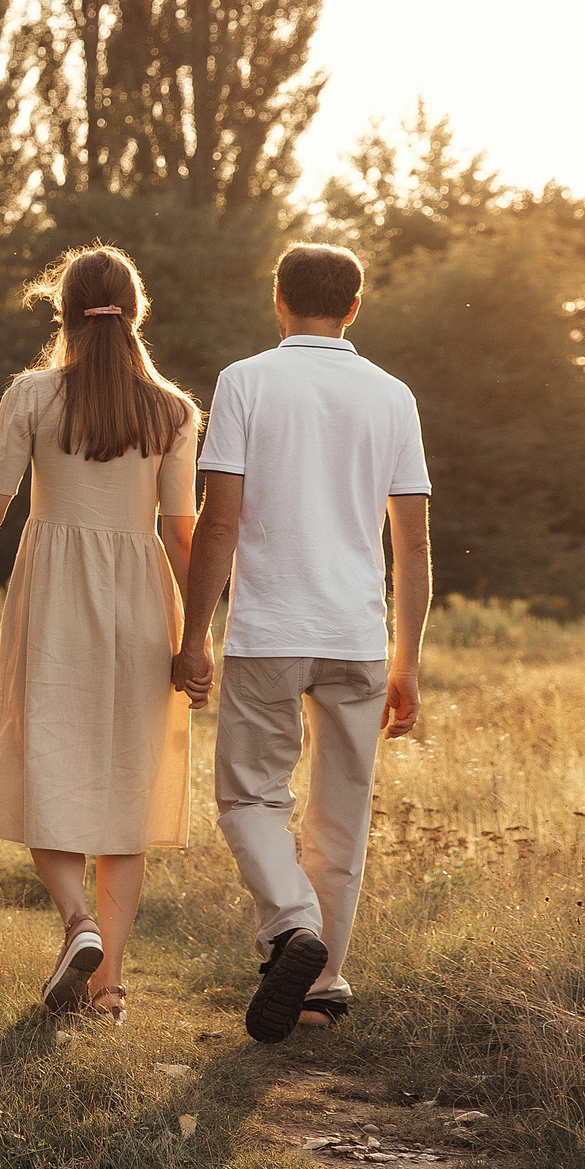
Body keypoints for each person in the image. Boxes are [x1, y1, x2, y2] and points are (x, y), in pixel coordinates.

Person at [0, 246, 201, 1022]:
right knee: (127, 787)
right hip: (141, 601)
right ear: (137, 310)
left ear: (60, 311)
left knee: (47, 762)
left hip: (56, 595)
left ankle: (79, 921)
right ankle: (109, 992)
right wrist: (196, 635)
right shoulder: (172, 410)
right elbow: (183, 534)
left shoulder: (32, 395)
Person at [170, 242, 432, 1044]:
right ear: (355, 306)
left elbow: (219, 523)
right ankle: (322, 988)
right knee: (341, 812)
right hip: (357, 633)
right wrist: (408, 660)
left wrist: (193, 633)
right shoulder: (393, 396)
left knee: (249, 797)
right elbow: (413, 547)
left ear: (277, 301)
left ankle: (291, 927)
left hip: (268, 631)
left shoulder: (245, 382)